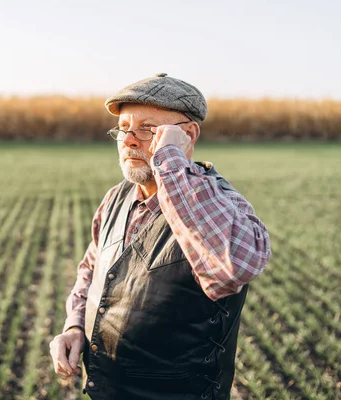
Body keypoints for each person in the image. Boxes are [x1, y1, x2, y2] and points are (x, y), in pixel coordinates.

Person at [49, 73, 272, 400]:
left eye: (147, 129)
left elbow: (236, 266)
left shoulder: (220, 202)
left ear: (188, 134)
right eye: (123, 128)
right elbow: (91, 270)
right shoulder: (116, 197)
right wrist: (74, 327)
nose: (128, 140)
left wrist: (170, 160)